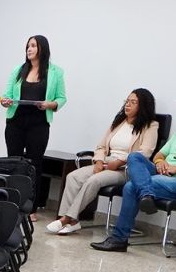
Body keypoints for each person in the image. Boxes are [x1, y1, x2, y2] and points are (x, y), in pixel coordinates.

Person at [90, 96, 176, 253]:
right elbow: (159, 155)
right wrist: (161, 163)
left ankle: (119, 239)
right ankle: (146, 194)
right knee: (135, 157)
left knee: (130, 187)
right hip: (161, 174)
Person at [45, 88, 158, 235]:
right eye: (127, 101)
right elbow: (101, 146)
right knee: (73, 177)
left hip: (126, 168)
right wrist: (98, 161)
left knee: (94, 180)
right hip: (106, 162)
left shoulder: (151, 125)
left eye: (133, 102)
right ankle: (73, 222)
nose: (127, 105)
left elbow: (145, 152)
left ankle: (65, 219)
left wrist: (119, 162)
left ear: (143, 106)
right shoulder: (119, 122)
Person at [0, 34, 65, 212]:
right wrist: (5, 101)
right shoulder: (18, 70)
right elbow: (7, 94)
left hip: (39, 123)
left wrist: (50, 104)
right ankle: (12, 203)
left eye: (33, 46)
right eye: (28, 46)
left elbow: (61, 98)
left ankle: (31, 207)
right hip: (16, 121)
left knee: (35, 164)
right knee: (14, 162)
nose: (29, 49)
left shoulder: (56, 72)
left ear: (42, 48)